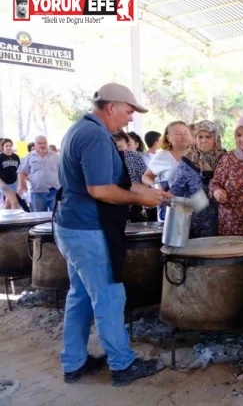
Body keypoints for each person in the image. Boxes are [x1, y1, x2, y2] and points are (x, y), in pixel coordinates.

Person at [54, 83, 167, 386]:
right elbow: (100, 189)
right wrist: (140, 200)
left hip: (71, 226)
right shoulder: (95, 136)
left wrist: (152, 193)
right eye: (129, 111)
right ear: (111, 106)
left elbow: (118, 181)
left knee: (79, 296)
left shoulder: (81, 129)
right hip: (88, 229)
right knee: (108, 296)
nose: (130, 119)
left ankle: (74, 362)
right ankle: (122, 365)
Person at [171, 120, 225, 238]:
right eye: (200, 137)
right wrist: (178, 229)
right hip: (196, 225)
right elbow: (177, 194)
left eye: (208, 137)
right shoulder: (187, 162)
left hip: (224, 222)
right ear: (194, 138)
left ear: (215, 138)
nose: (203, 140)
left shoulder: (226, 160)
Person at [142, 121, 192, 222]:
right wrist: (156, 186)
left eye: (186, 133)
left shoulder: (197, 155)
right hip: (170, 208)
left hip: (195, 209)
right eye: (178, 133)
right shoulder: (161, 156)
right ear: (168, 137)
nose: (183, 136)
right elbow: (146, 177)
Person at [17, 135, 60, 212]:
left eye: (44, 143)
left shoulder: (55, 156)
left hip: (54, 191)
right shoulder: (29, 156)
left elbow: (63, 171)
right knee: (38, 218)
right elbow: (21, 171)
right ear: (35, 144)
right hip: (37, 193)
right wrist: (20, 185)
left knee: (56, 216)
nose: (43, 145)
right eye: (40, 143)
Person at [0, 138, 22, 209]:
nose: (9, 147)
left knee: (8, 203)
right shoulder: (1, 157)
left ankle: (4, 219)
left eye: (10, 146)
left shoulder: (16, 157)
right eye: (6, 146)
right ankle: (15, 219)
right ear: (3, 147)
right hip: (3, 183)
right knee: (14, 201)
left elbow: (19, 170)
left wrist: (21, 182)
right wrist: (1, 182)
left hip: (14, 182)